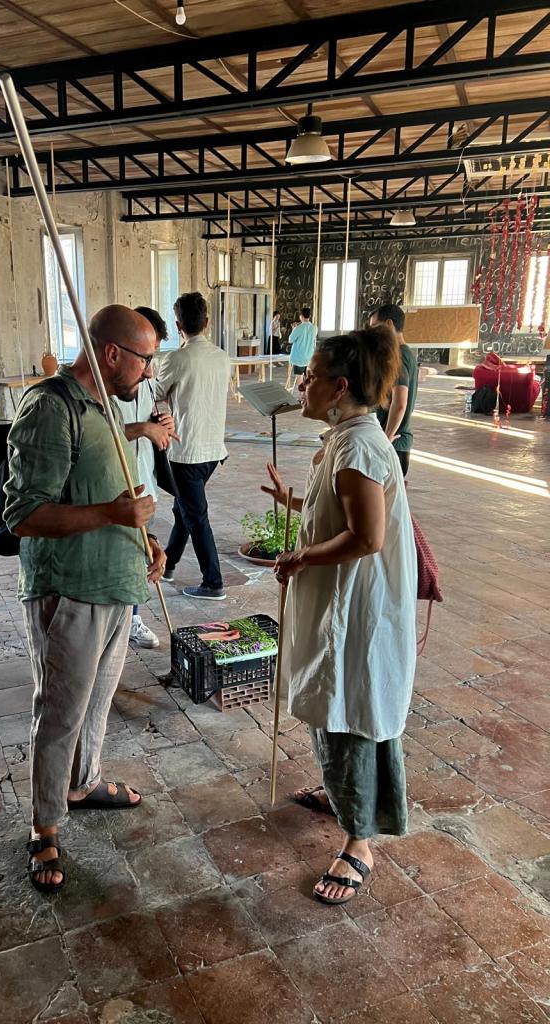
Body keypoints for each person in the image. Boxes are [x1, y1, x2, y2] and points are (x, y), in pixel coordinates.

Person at [3, 305, 167, 893]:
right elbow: (23, 515)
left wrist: (143, 539)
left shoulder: (106, 406)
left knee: (95, 706)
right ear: (112, 354)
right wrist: (112, 515)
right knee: (60, 713)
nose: (150, 372)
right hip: (69, 591)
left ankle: (82, 783)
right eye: (145, 359)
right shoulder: (51, 407)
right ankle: (44, 826)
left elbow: (107, 491)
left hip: (115, 584)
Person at [262, 326, 416, 905]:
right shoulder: (349, 439)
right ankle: (341, 794)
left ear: (340, 387)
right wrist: (294, 503)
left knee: (350, 706)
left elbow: (367, 536)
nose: (302, 385)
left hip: (358, 607)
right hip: (342, 599)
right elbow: (343, 508)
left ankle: (359, 842)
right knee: (333, 703)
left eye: (310, 376)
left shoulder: (356, 447)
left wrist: (302, 556)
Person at [155, 292, 231, 600]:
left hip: (186, 452)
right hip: (213, 450)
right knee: (184, 509)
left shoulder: (176, 358)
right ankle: (169, 563)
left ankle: (213, 582)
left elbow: (155, 394)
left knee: (195, 516)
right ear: (207, 322)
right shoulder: (222, 357)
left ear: (177, 325)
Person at [116, 305, 179, 649]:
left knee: (142, 551)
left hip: (144, 479)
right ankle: (126, 619)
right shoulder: (110, 385)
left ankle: (133, 616)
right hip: (118, 485)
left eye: (153, 356)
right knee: (126, 553)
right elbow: (101, 434)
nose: (150, 369)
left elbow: (148, 421)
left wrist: (161, 424)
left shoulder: (146, 381)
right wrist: (143, 428)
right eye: (146, 358)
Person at [368, 304, 418, 478]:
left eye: (375, 327)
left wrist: (386, 438)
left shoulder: (398, 356)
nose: (373, 334)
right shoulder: (405, 353)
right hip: (395, 444)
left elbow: (400, 403)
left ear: (389, 324)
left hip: (393, 445)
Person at [287, 306, 317, 391]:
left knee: (299, 375)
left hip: (299, 356)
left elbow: (290, 340)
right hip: (309, 356)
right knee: (307, 376)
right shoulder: (314, 327)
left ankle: (302, 394)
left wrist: (294, 329)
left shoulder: (298, 328)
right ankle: (308, 393)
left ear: (301, 316)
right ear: (309, 316)